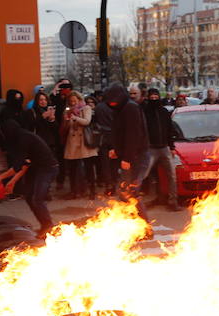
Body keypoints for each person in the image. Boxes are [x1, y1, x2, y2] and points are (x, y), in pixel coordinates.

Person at [0, 119, 58, 235]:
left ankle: (49, 227)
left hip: (48, 169)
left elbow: (17, 166)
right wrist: (12, 181)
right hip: (37, 168)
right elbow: (25, 164)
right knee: (29, 197)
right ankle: (45, 226)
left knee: (37, 199)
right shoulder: (21, 137)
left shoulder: (23, 139)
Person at [106, 82, 152, 229]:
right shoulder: (120, 109)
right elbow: (120, 133)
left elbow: (133, 135)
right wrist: (116, 149)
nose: (112, 103)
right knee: (125, 191)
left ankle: (145, 227)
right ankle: (135, 224)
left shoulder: (130, 108)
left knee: (131, 190)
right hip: (131, 155)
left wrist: (127, 158)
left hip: (137, 156)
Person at [143, 87, 182, 211]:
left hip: (164, 147)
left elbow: (169, 130)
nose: (154, 99)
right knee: (143, 175)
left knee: (171, 175)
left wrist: (172, 147)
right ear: (148, 98)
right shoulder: (144, 112)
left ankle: (173, 201)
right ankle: (141, 202)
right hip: (150, 148)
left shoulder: (164, 111)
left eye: (156, 97)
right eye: (152, 97)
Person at [62, 91, 98, 200]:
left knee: (89, 168)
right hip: (72, 141)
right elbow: (65, 128)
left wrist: (75, 118)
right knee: (72, 169)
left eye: (75, 101)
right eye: (71, 101)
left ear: (79, 99)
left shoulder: (86, 108)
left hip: (84, 141)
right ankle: (74, 191)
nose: (73, 103)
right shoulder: (67, 110)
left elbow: (87, 121)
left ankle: (92, 191)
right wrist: (66, 120)